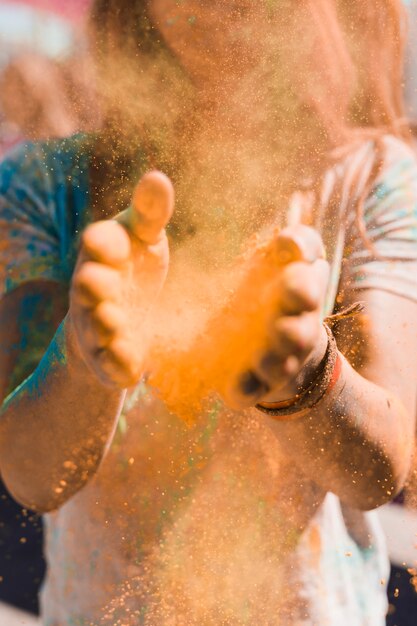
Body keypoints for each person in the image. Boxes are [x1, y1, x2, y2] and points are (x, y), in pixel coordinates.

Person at [0, 1, 416, 624]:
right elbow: (30, 474)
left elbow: (380, 471)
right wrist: (82, 359)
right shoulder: (44, 185)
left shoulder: (375, 183)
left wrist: (307, 375)